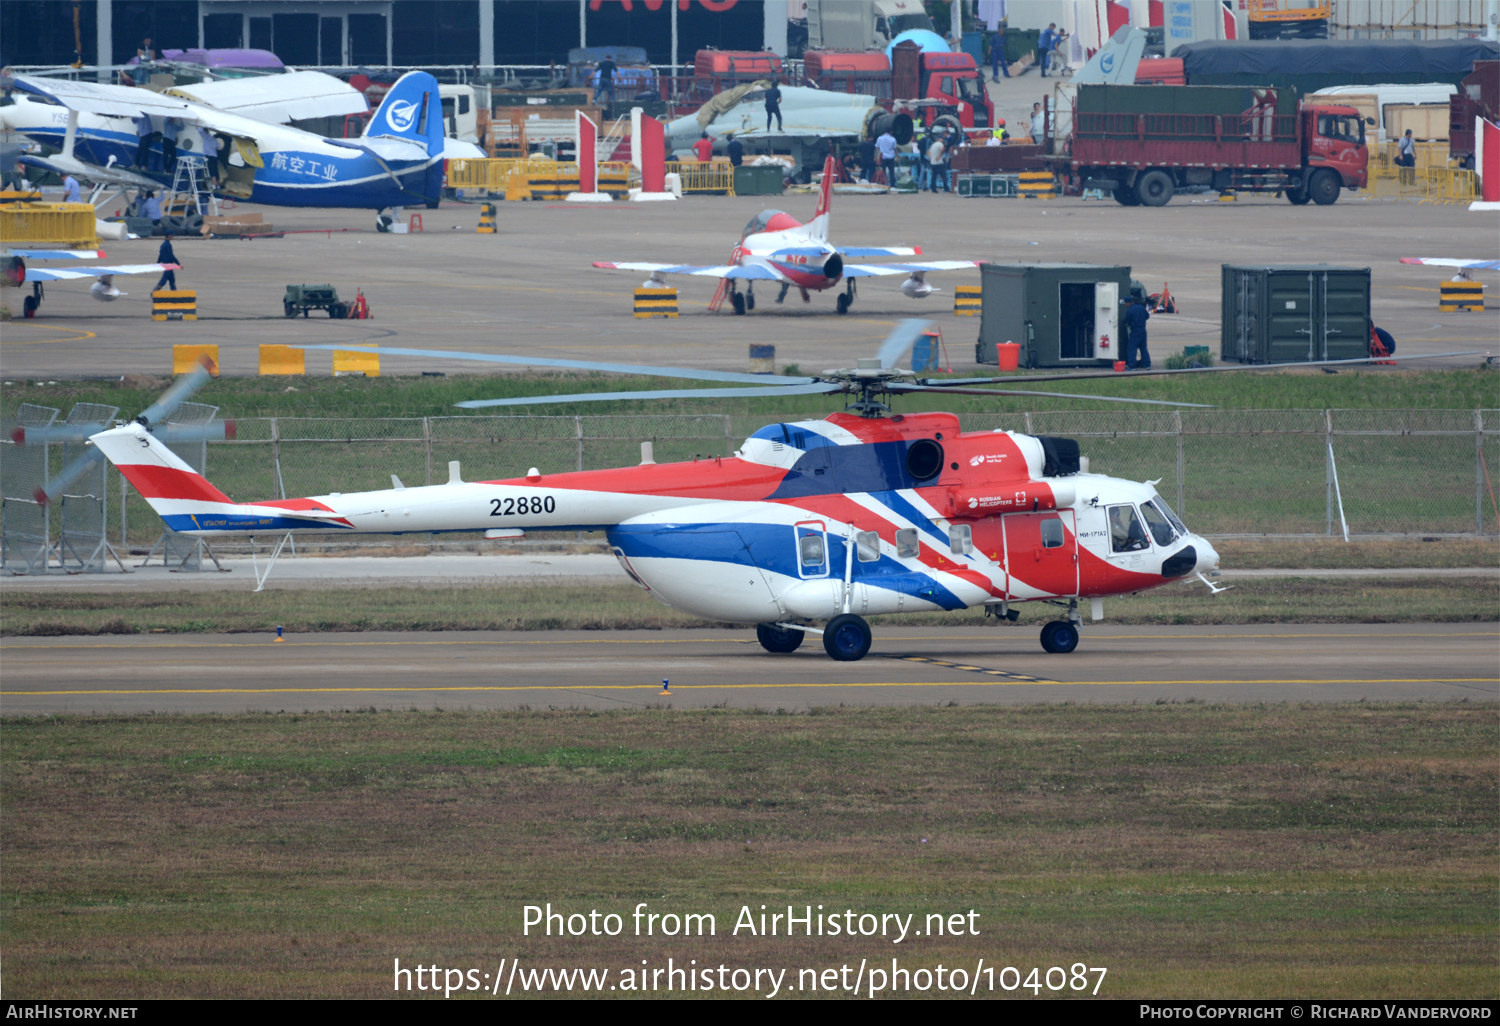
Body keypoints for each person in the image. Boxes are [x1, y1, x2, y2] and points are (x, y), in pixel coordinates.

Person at [1124, 293, 1151, 370]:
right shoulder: (1141, 307)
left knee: (1132, 348)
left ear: (1127, 303)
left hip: (1135, 332)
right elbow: (1147, 316)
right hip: (1143, 331)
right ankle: (1147, 364)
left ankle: (1132, 366)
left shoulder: (1129, 311)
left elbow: (1127, 322)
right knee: (1143, 348)